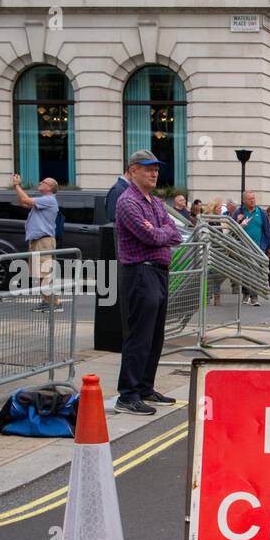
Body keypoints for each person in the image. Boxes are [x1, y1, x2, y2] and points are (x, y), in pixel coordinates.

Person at [113, 149, 183, 415]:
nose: (154, 173)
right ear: (133, 171)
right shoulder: (127, 202)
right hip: (140, 272)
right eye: (147, 168)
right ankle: (127, 395)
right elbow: (150, 237)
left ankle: (144, 387)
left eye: (156, 168)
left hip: (158, 271)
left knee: (155, 336)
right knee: (139, 335)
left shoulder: (153, 202)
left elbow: (173, 233)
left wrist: (159, 231)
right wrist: (158, 233)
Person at [12, 174, 62, 310]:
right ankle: (48, 301)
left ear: (50, 187)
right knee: (40, 273)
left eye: (43, 182)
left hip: (43, 241)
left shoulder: (49, 199)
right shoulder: (43, 200)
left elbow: (25, 200)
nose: (40, 182)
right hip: (38, 240)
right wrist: (17, 188)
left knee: (45, 272)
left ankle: (53, 302)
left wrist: (17, 185)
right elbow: (22, 202)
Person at [237, 190, 270, 306]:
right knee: (245, 271)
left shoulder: (261, 212)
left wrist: (269, 247)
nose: (252, 200)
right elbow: (232, 226)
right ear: (244, 201)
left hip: (258, 247)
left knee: (255, 272)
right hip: (243, 247)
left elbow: (267, 230)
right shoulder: (239, 212)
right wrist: (238, 220)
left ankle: (254, 297)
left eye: (253, 198)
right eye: (249, 199)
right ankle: (246, 292)